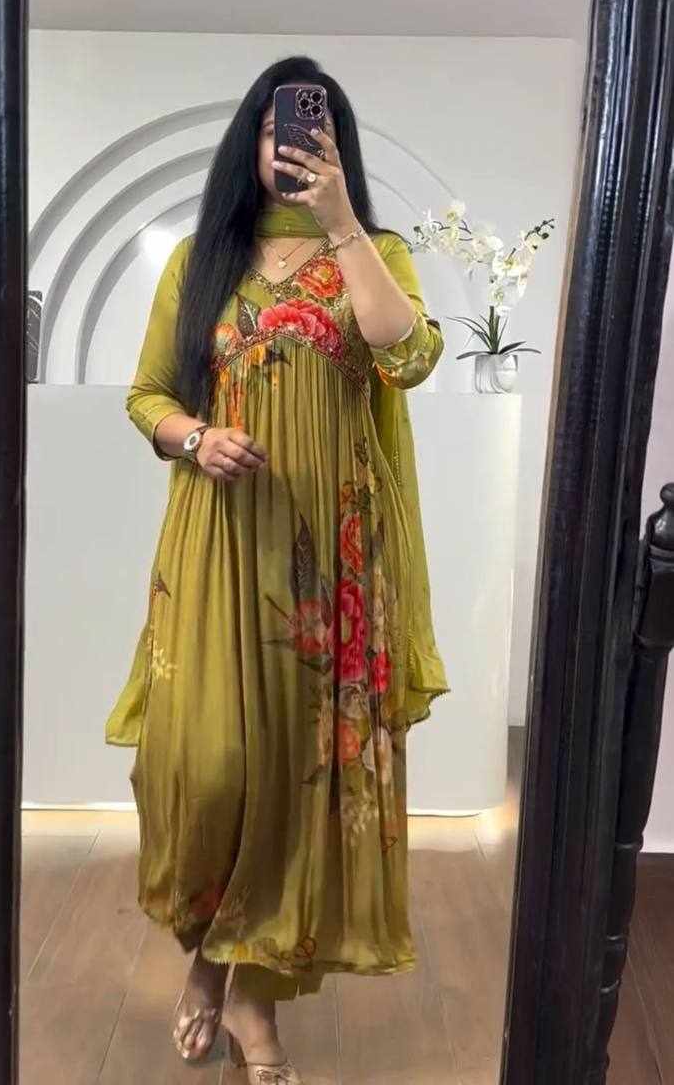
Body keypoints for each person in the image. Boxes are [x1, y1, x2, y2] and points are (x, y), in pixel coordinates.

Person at [104, 55, 451, 1083]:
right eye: (275, 128)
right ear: (247, 144)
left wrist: (342, 223)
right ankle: (206, 951)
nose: (291, 145)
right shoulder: (200, 260)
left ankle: (249, 1011)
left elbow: (408, 358)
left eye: (313, 128)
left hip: (333, 554)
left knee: (299, 781)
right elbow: (146, 394)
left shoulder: (376, 251)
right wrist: (192, 437)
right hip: (217, 542)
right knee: (202, 765)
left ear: (337, 146)